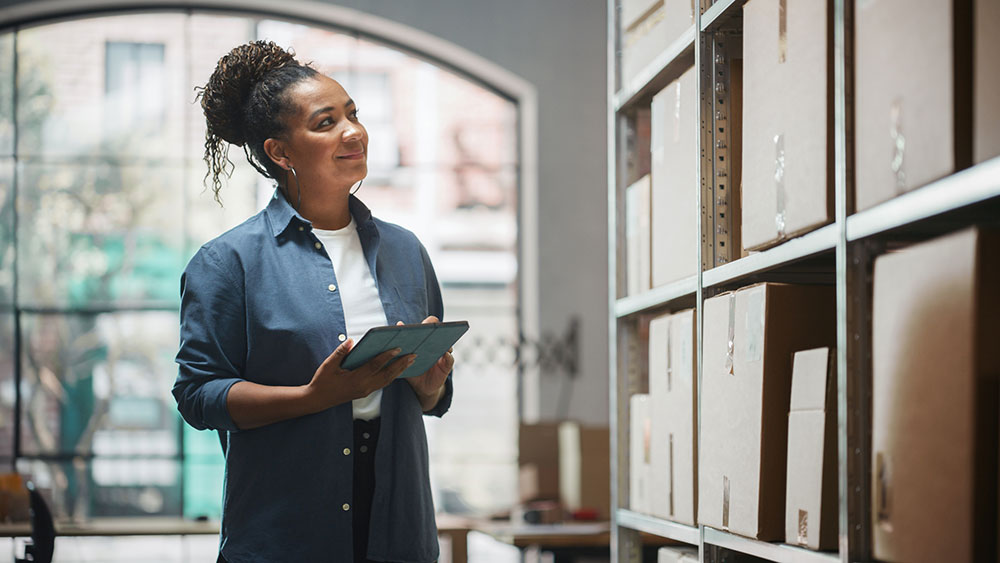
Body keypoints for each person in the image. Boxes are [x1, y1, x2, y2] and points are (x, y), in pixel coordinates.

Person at [172, 40, 454, 563]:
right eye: (326, 123)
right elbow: (198, 395)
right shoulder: (227, 262)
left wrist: (429, 385)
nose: (353, 131)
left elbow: (432, 400)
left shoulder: (405, 251)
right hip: (286, 530)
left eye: (352, 114)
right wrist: (313, 396)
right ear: (280, 152)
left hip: (399, 528)